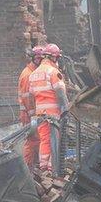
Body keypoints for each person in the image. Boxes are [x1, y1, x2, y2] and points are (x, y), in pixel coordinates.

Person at [29, 43, 68, 174]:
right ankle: (52, 169)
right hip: (53, 114)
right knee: (54, 141)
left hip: (40, 114)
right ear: (54, 58)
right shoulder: (53, 72)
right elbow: (61, 94)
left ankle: (44, 167)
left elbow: (31, 95)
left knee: (44, 140)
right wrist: (66, 111)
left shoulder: (33, 74)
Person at [18, 45, 44, 168]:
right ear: (33, 58)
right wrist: (33, 115)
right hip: (29, 115)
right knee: (32, 141)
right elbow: (27, 97)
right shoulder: (28, 75)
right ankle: (27, 168)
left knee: (36, 140)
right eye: (38, 59)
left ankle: (33, 167)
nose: (40, 62)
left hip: (31, 114)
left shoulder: (33, 73)